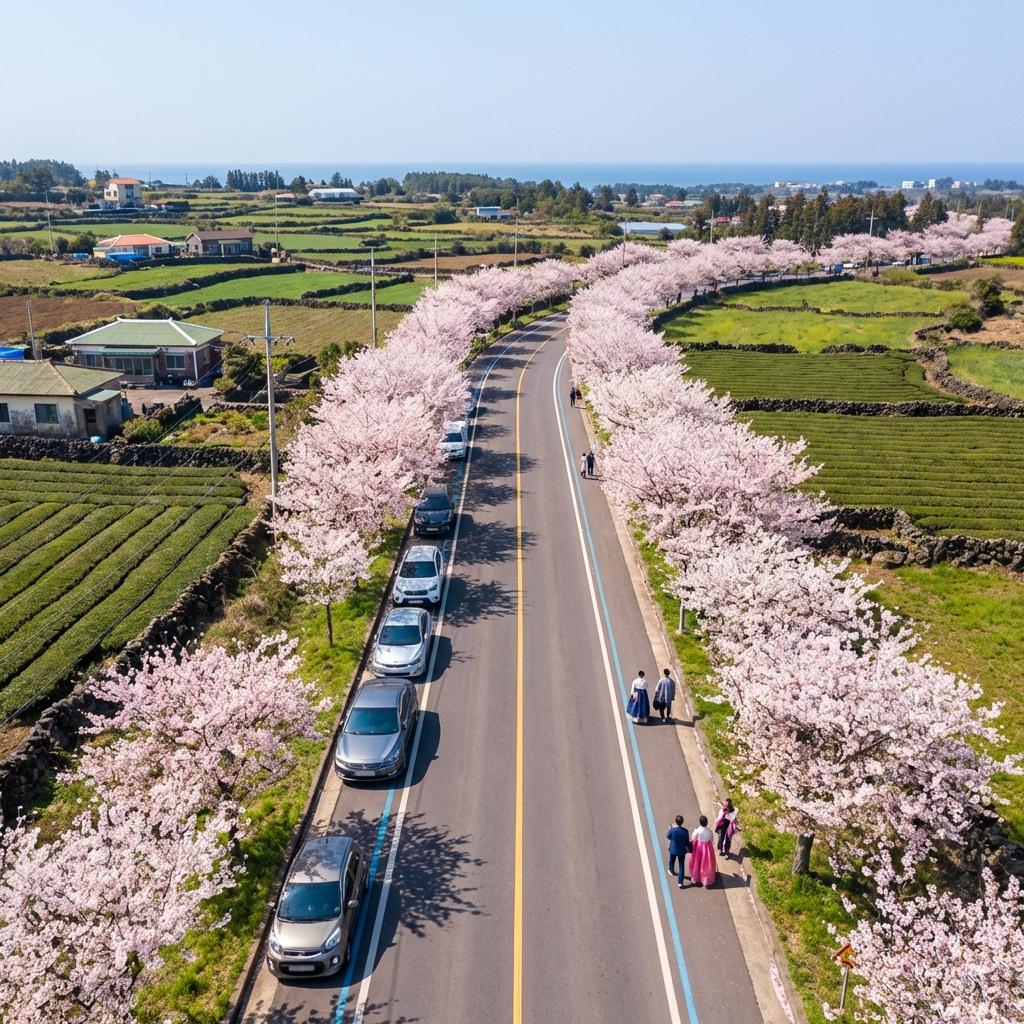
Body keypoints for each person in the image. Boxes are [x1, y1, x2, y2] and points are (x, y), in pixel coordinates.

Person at [688, 815, 718, 887]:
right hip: (707, 848)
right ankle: (705, 878)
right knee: (706, 863)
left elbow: (693, 838)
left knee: (697, 862)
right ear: (707, 823)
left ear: (700, 822)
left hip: (699, 847)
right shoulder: (709, 831)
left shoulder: (697, 831)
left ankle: (696, 876)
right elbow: (712, 839)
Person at [665, 815, 690, 889]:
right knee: (681, 865)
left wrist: (670, 829)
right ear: (682, 822)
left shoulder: (672, 830)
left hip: (673, 849)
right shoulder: (685, 831)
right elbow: (687, 841)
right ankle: (680, 882)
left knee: (672, 860)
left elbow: (668, 836)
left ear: (676, 821)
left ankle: (671, 870)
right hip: (682, 850)